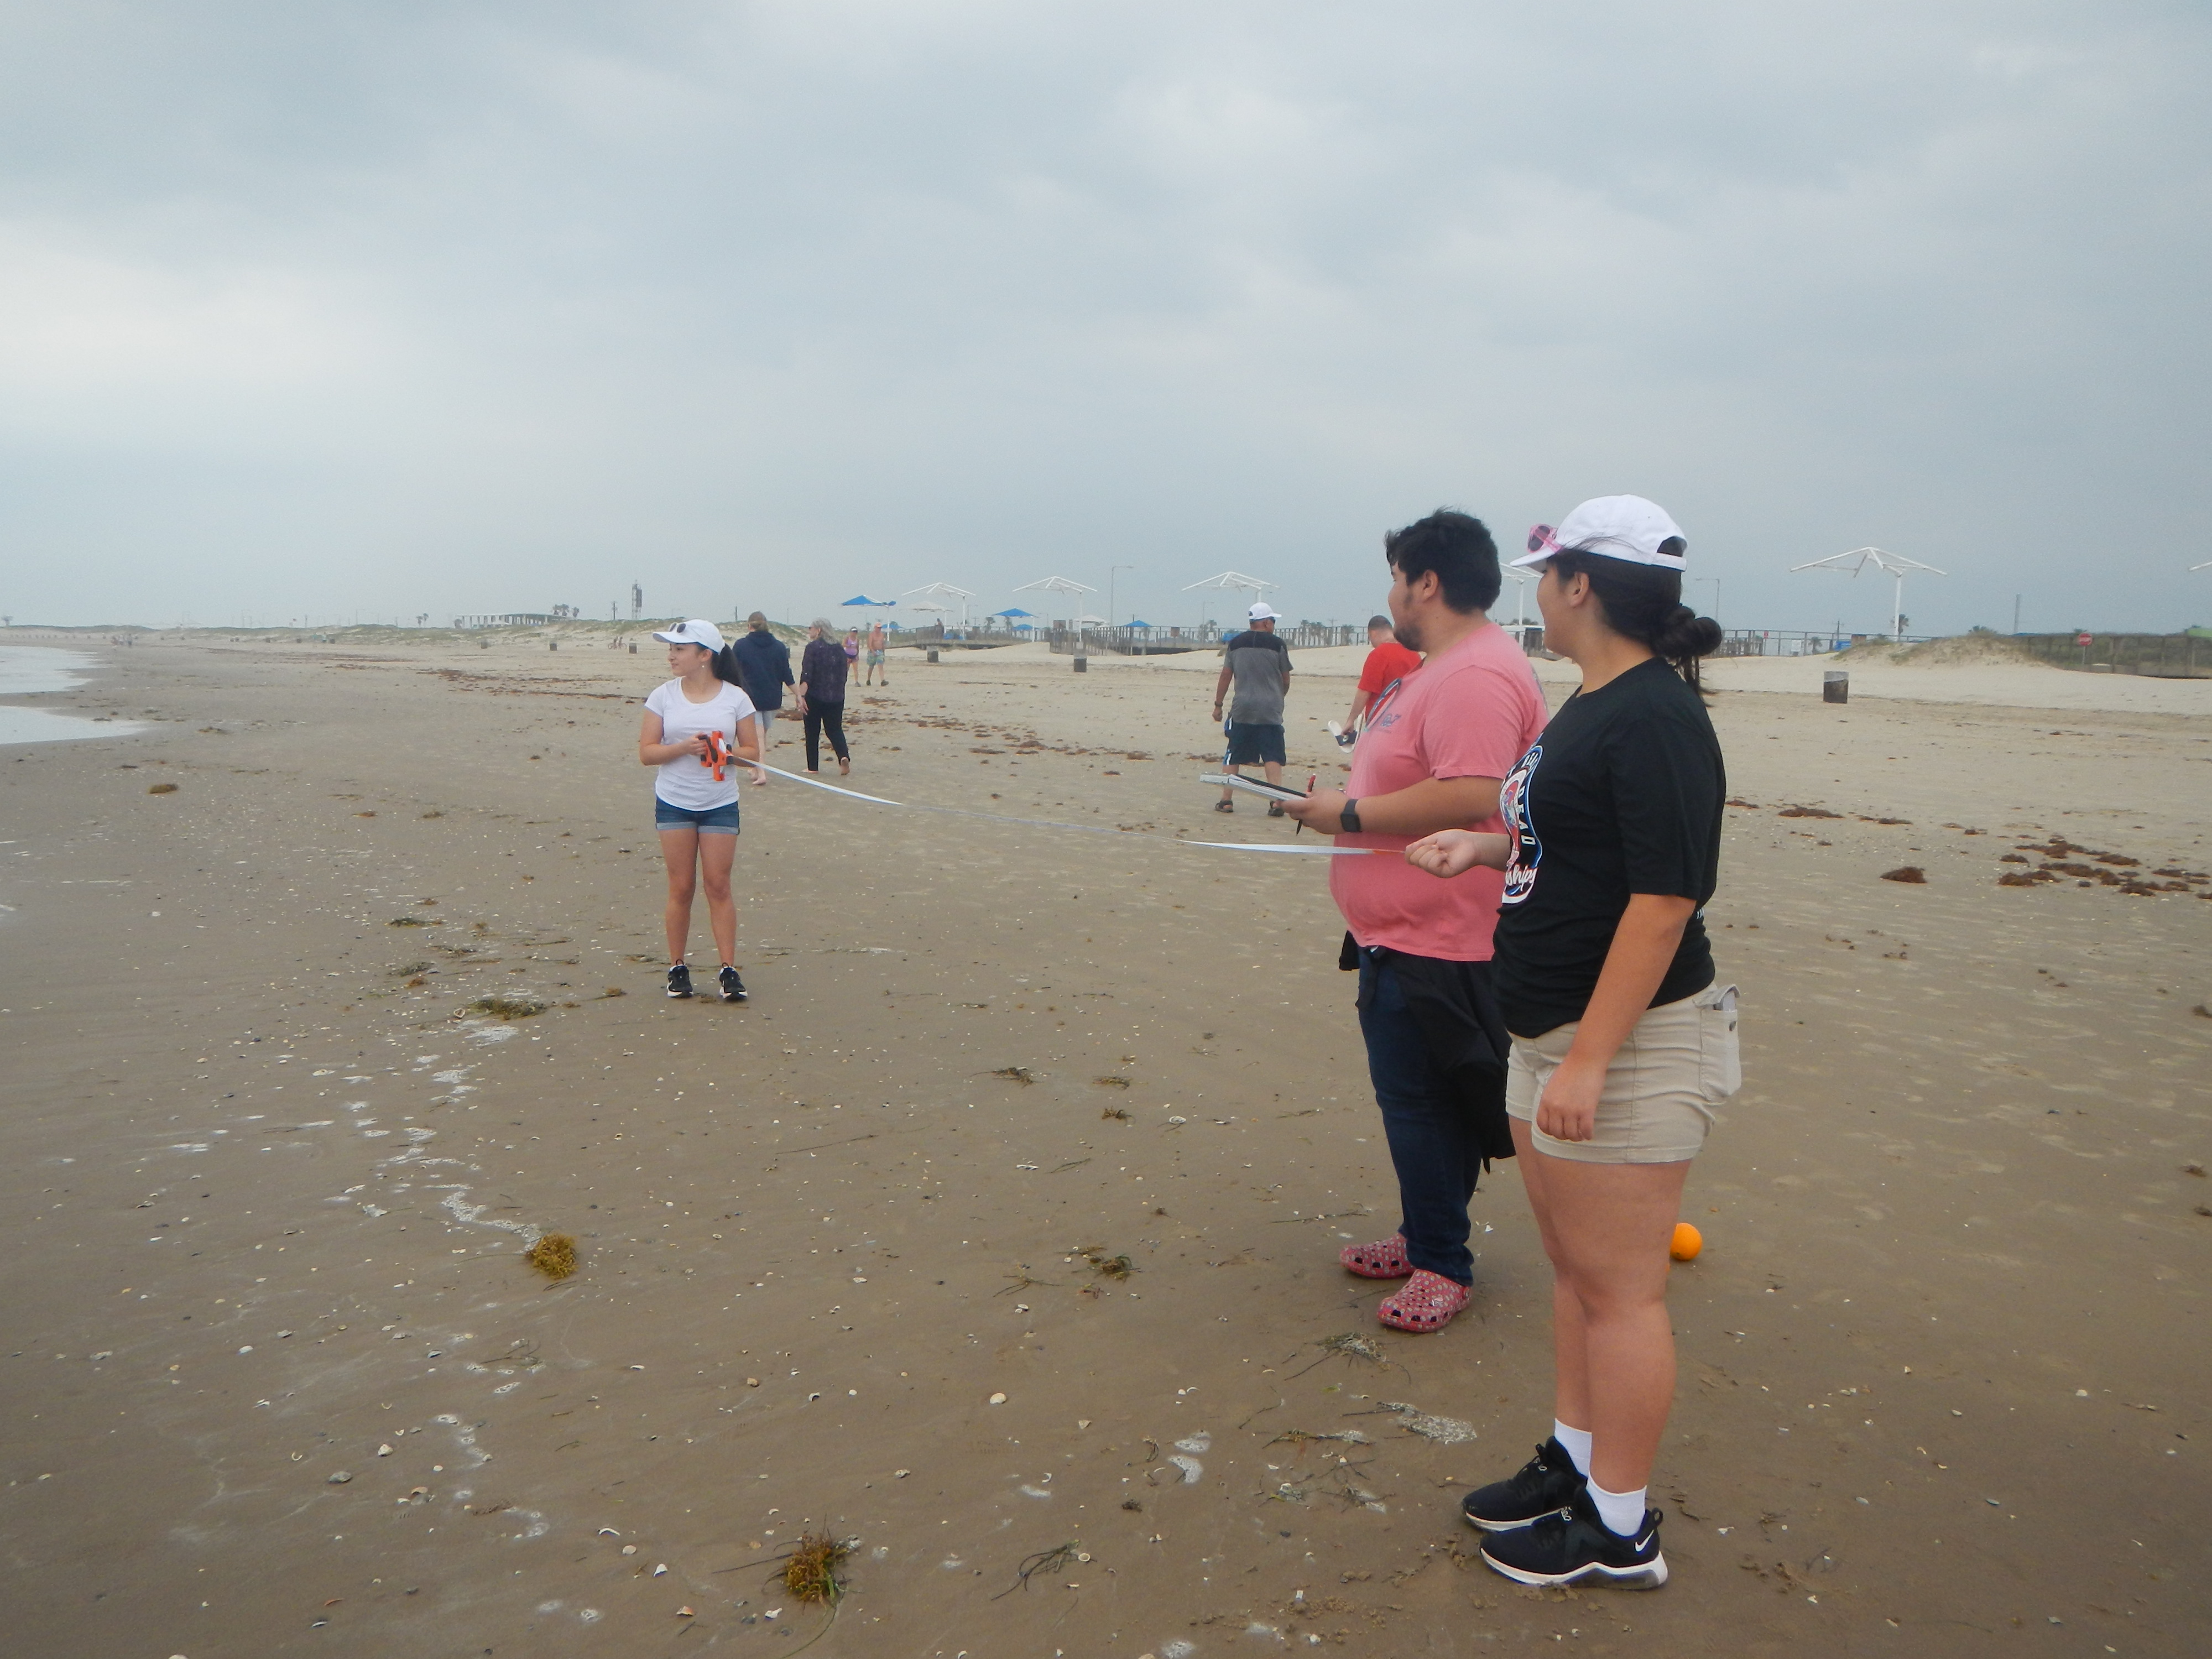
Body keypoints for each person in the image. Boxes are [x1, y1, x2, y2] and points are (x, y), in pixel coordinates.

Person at [1402, 494, 1734, 1592]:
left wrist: (1590, 1058)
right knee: (1573, 1273)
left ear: (1579, 584)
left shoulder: (1654, 717)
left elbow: (1662, 900)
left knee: (1622, 1289)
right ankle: (1577, 1463)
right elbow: (1575, 843)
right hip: (1544, 1028)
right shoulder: (1594, 704)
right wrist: (1487, 843)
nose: (1535, 589)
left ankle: (1621, 1528)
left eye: (1547, 572)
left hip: (1627, 1045)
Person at [1279, 511, 1547, 1335]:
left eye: (1396, 576)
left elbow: (1474, 792)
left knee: (1421, 1102)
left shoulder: (1472, 675)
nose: (1391, 593)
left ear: (1425, 582)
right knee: (1426, 1097)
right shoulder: (1444, 667)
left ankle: (1442, 1263)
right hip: (1399, 929)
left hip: (1443, 936)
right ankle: (1427, 1232)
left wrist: (1347, 814)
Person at [637, 619, 765, 1003]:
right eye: (671, 649)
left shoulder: (736, 698)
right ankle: (677, 967)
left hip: (720, 805)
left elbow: (751, 754)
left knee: (718, 886)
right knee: (681, 886)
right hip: (674, 800)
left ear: (705, 655)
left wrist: (724, 754)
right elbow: (647, 753)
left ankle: (728, 969)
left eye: (680, 649)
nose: (672, 656)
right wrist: (683, 748)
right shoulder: (662, 696)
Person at [1211, 603, 1293, 814]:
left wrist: (1218, 705)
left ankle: (1226, 800)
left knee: (1234, 753)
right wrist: (1279, 696)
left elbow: (1226, 675)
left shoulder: (1235, 644)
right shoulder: (1277, 645)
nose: (1273, 625)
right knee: (1272, 754)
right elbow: (1285, 677)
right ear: (1266, 622)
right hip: (1270, 709)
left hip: (1243, 707)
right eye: (1273, 621)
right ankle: (1276, 801)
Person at [1340, 614, 1422, 747]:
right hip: (1408, 722)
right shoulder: (1414, 654)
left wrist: (1351, 720)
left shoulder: (1379, 654)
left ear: (1373, 633)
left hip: (1381, 723)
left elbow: (1364, 691)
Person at [732, 613, 794, 753]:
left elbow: (732, 670)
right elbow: (786, 673)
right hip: (772, 698)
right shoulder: (779, 647)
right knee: (760, 734)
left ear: (749, 626)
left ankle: (760, 772)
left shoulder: (741, 645)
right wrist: (798, 695)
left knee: (758, 736)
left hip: (750, 698)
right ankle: (756, 768)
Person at [797, 618, 852, 775]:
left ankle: (813, 767)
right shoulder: (839, 649)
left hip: (814, 696)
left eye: (811, 628)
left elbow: (807, 675)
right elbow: (844, 674)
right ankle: (843, 756)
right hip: (836, 696)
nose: (809, 631)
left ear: (819, 630)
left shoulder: (813, 648)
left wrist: (801, 696)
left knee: (812, 731)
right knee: (835, 729)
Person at [864, 618, 890, 686]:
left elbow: (883, 643)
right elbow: (869, 644)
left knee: (880, 665)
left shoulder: (882, 635)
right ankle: (868, 679)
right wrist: (873, 651)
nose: (879, 629)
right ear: (875, 628)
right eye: (878, 628)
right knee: (871, 666)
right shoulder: (872, 635)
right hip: (873, 652)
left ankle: (883, 680)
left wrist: (884, 652)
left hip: (880, 652)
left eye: (880, 628)